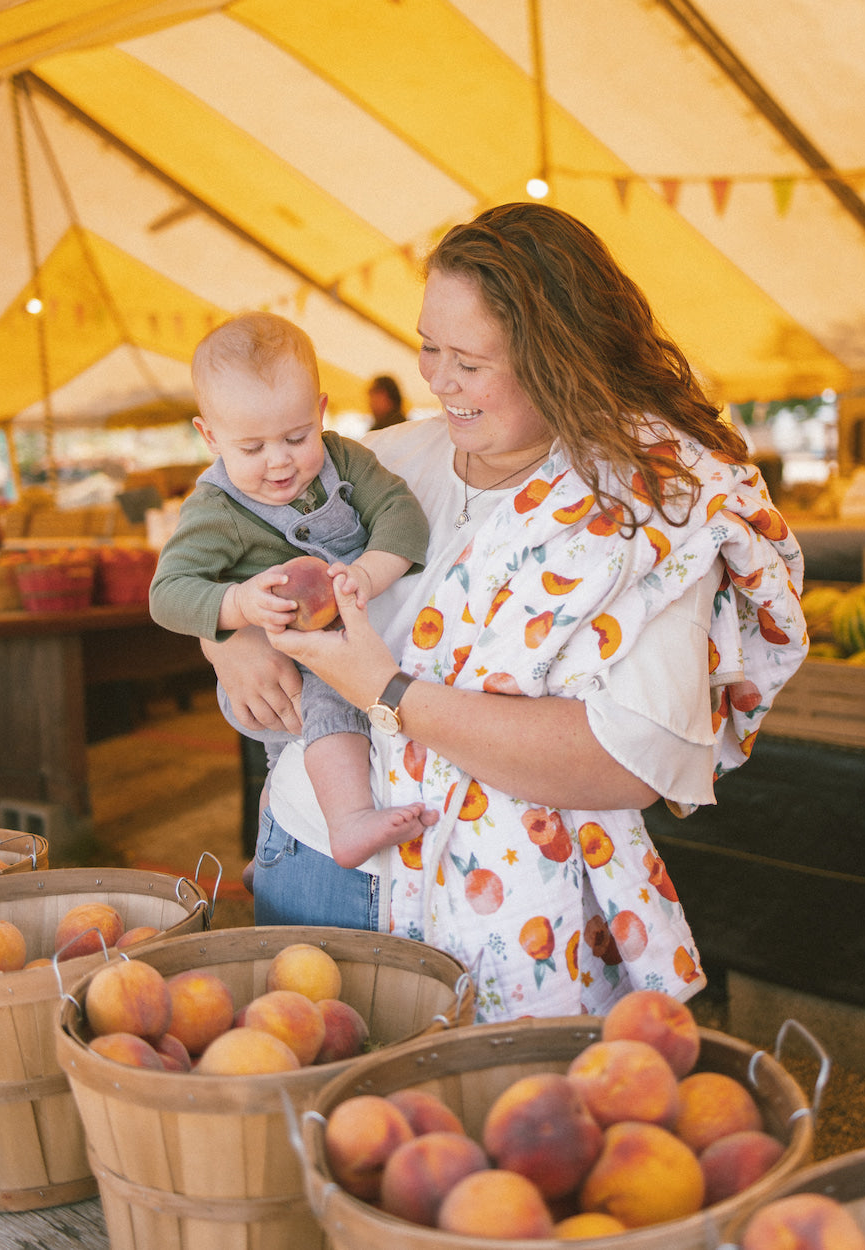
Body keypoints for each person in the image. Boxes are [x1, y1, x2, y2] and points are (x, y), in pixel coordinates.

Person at [204, 204, 808, 1022]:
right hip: (309, 857)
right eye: (427, 347)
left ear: (560, 360)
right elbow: (220, 555)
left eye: (469, 361)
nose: (437, 379)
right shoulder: (372, 464)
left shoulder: (638, 510)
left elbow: (627, 761)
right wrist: (226, 640)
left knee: (461, 1146)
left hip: (497, 916)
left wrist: (388, 690)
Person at [149, 311, 436, 870]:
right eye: (251, 448)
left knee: (287, 759)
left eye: (296, 436)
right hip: (283, 659)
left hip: (346, 639)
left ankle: (270, 849)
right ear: (210, 436)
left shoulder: (345, 460)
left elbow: (402, 515)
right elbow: (168, 592)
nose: (279, 461)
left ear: (321, 412)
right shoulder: (217, 508)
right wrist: (237, 604)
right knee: (328, 702)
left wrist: (369, 573)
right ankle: (348, 820)